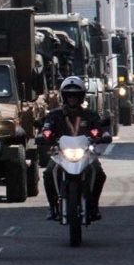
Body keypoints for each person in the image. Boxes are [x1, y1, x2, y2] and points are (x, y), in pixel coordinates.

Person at [40, 76, 109, 221]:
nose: (72, 98)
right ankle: (52, 207)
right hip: (61, 153)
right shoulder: (55, 115)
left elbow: (99, 129)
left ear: (81, 97)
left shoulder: (90, 115)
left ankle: (94, 205)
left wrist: (102, 135)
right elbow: (46, 128)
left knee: (99, 173)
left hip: (85, 153)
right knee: (48, 173)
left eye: (75, 95)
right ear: (64, 96)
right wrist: (45, 135)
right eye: (69, 95)